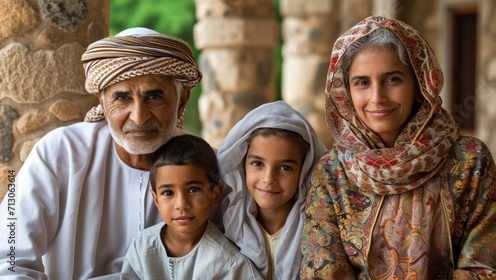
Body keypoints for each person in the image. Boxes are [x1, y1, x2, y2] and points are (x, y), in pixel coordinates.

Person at [300, 15, 496, 279]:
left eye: (393, 79)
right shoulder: (333, 172)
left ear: (420, 85)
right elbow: (323, 271)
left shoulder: (468, 162)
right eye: (362, 82)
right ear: (345, 93)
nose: (377, 97)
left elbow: (485, 267)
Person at [0, 27, 202, 279]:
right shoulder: (59, 153)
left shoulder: (205, 164)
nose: (138, 117)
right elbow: (8, 258)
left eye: (153, 97)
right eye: (122, 97)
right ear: (102, 102)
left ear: (182, 100)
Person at [121, 134, 263, 279]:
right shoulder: (142, 247)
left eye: (193, 190)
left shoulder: (229, 263)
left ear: (215, 194)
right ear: (156, 200)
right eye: (168, 193)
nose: (182, 205)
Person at [217, 101, 327, 279]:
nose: (268, 179)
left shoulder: (319, 229)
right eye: (257, 164)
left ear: (304, 171)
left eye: (285, 167)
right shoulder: (227, 224)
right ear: (242, 165)